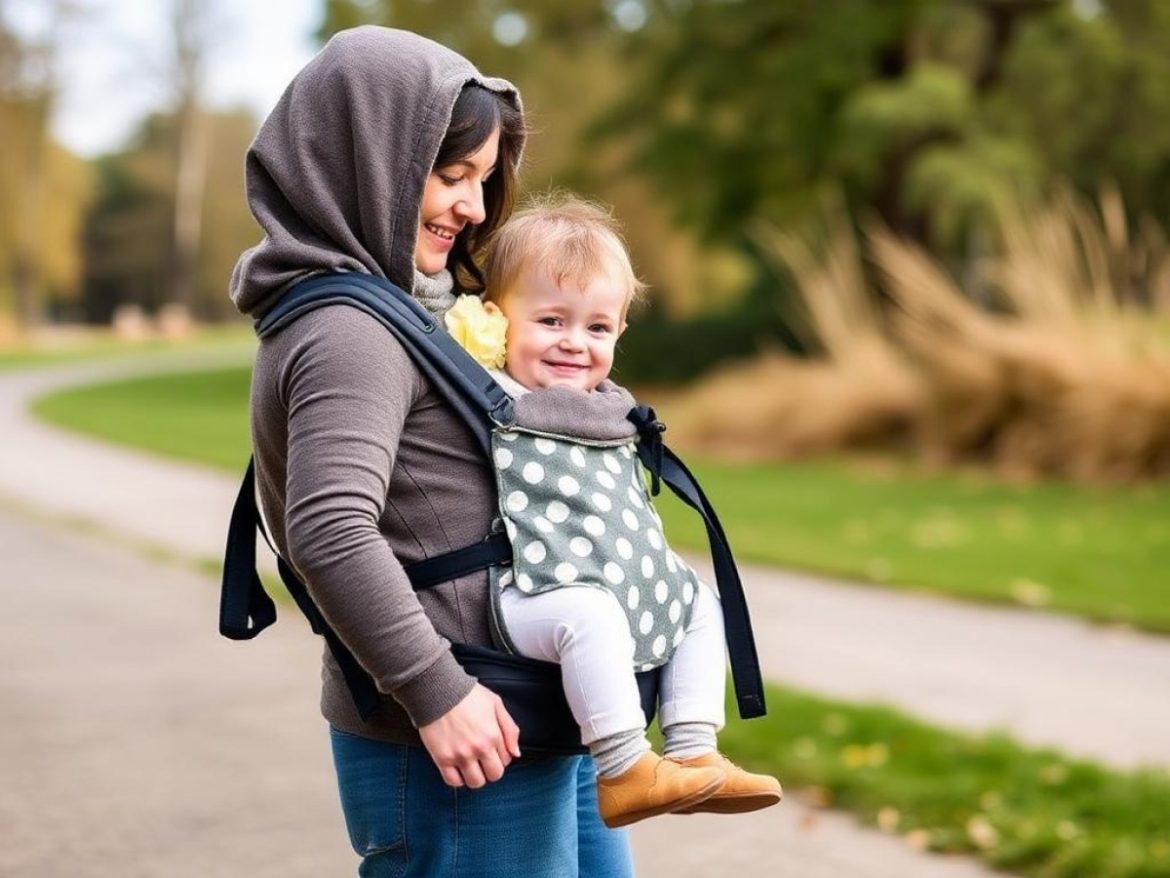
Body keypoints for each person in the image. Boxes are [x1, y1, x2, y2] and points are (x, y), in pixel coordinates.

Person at [230, 27, 635, 878]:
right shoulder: (350, 332)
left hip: (523, 710)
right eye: (451, 176)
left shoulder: (411, 311)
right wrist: (435, 691)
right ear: (368, 158)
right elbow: (330, 530)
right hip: (459, 729)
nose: (476, 209)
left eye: (484, 181)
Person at [444, 195, 783, 828]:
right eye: (550, 321)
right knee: (590, 614)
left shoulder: (610, 406)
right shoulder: (492, 390)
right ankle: (624, 765)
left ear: (620, 331)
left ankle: (691, 752)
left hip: (600, 579)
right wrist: (474, 345)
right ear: (496, 322)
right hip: (527, 595)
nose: (574, 344)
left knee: (697, 601)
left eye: (597, 328)